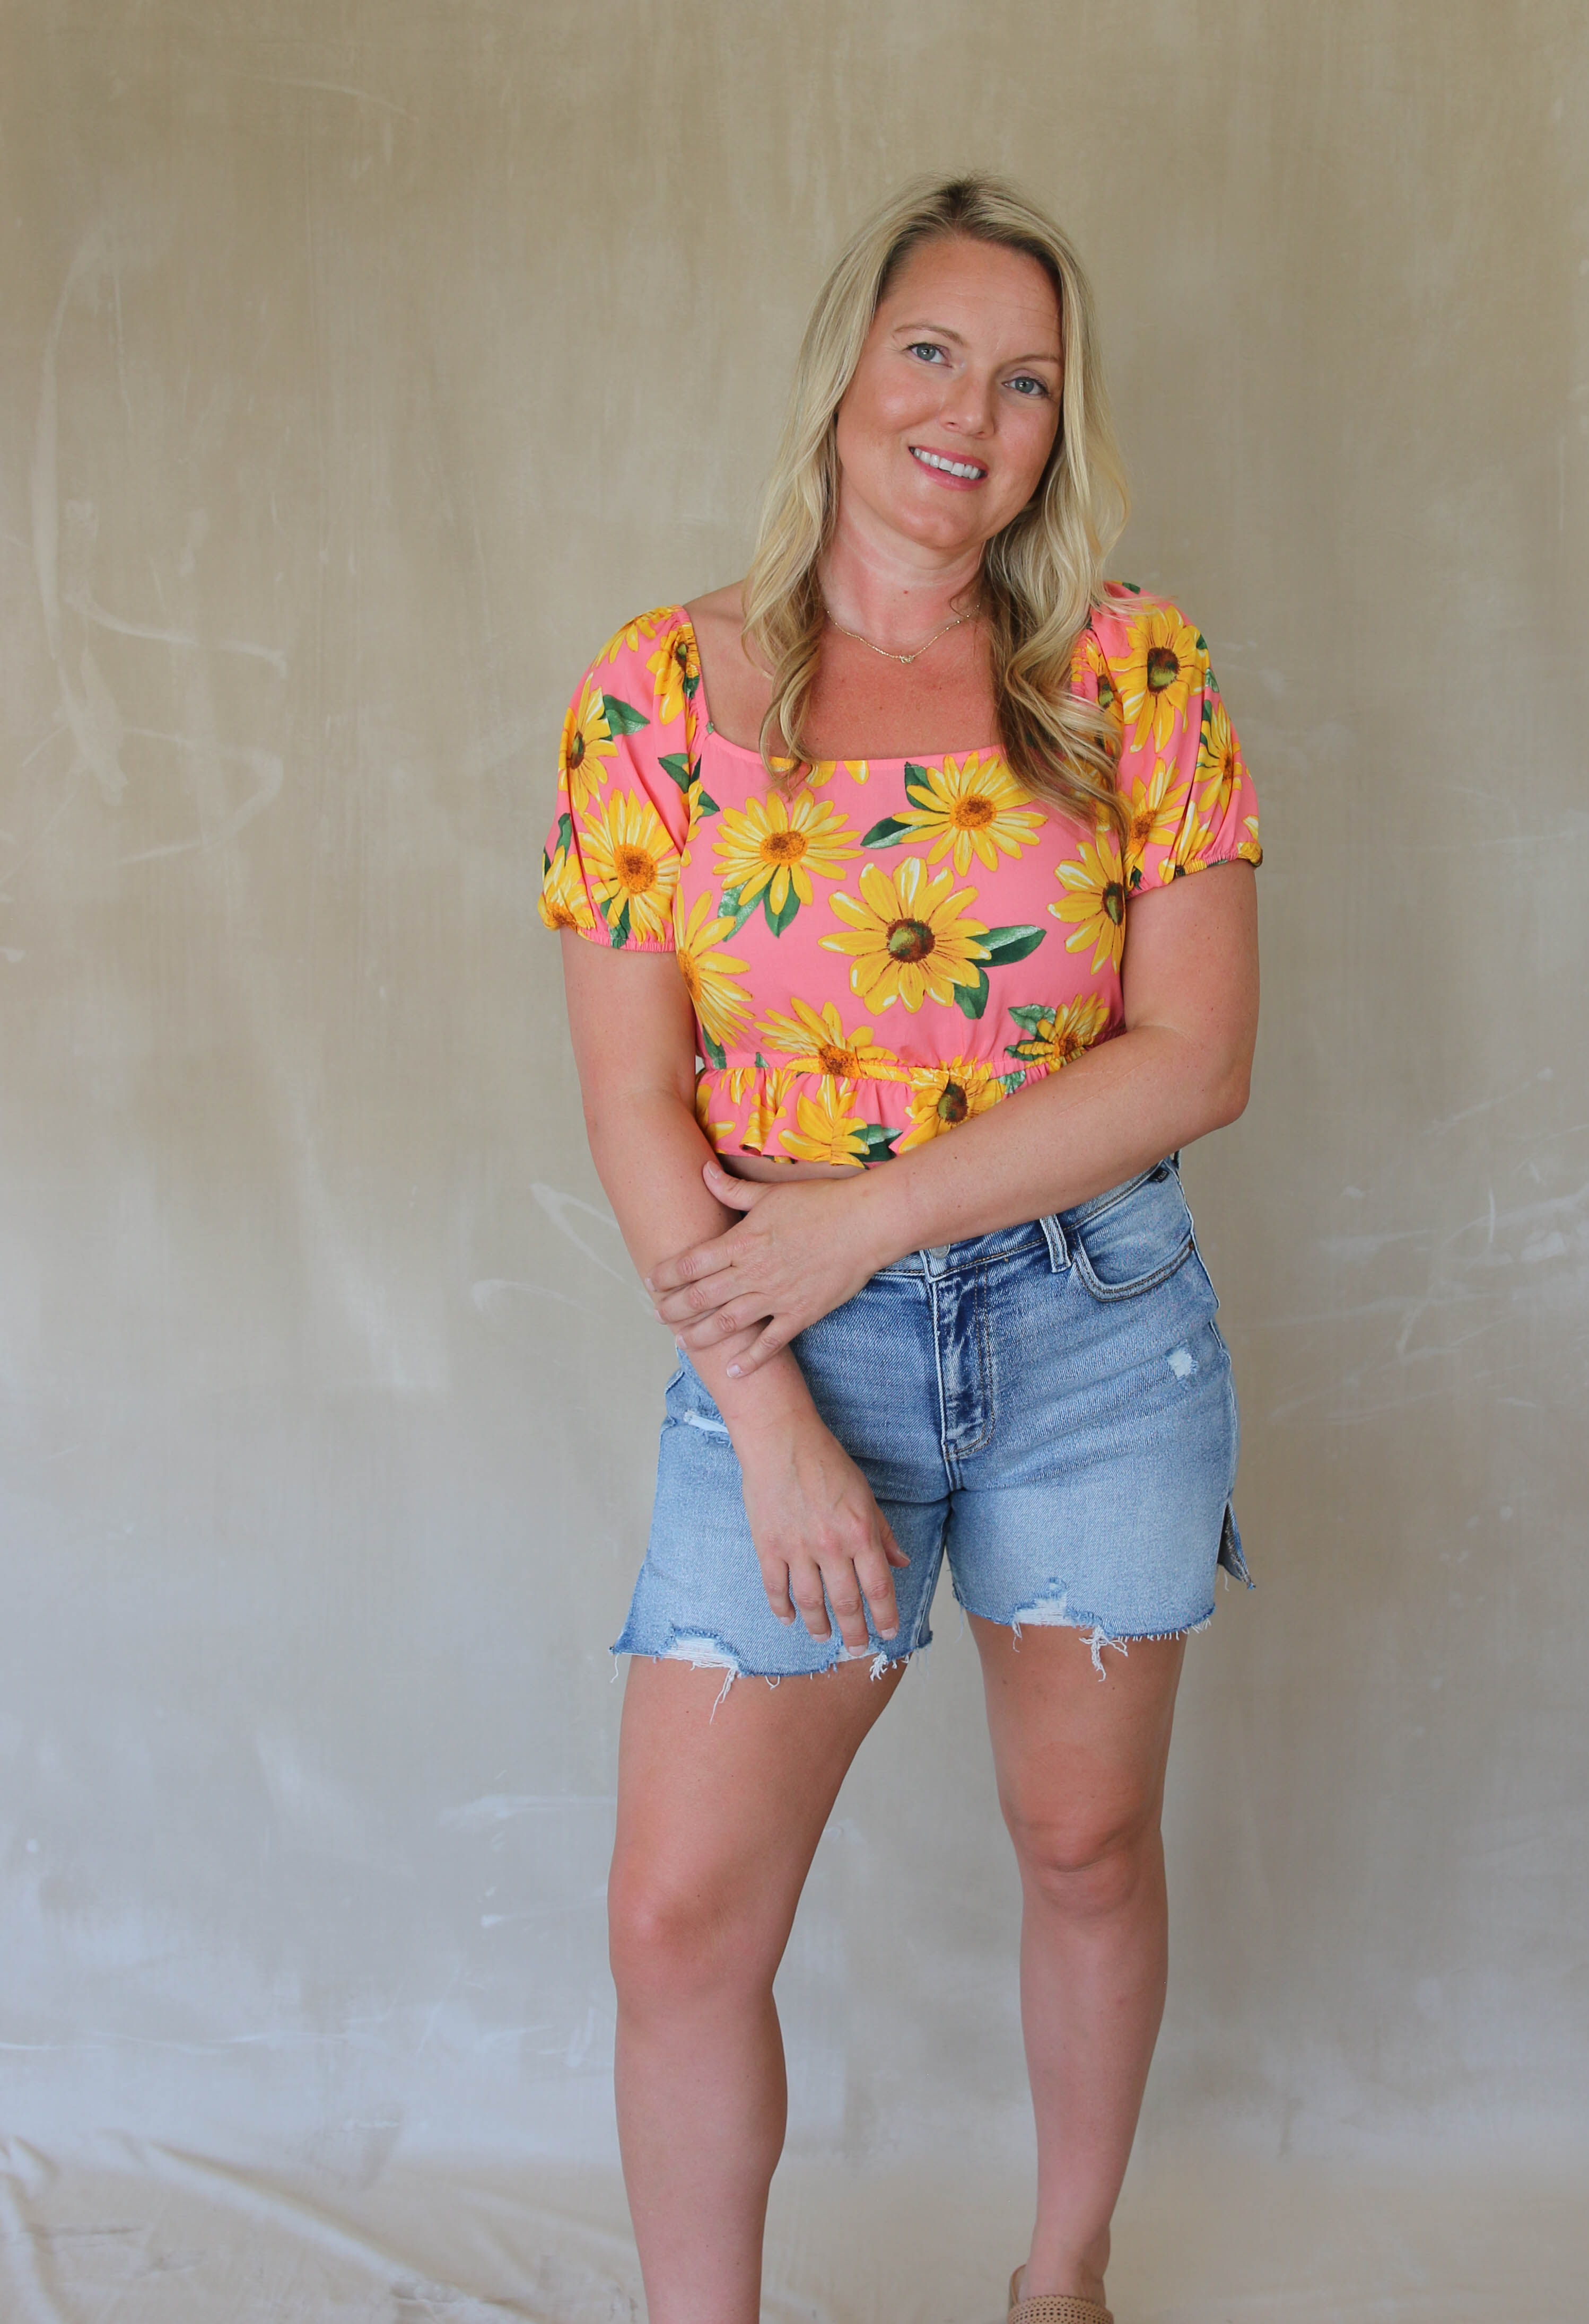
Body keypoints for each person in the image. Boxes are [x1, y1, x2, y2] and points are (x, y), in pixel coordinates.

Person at [540, 173, 1260, 2324]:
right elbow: (632, 1099)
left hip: (1093, 1325)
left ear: (1058, 428)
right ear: (845, 373)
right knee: (678, 1919)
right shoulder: (659, 689)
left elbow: (1196, 1057)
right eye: (932, 353)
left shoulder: (1131, 671)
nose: (971, 413)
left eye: (1026, 382)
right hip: (782, 1342)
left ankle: (1061, 2282)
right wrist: (767, 1413)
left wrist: (866, 1214)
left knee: (1084, 1845)